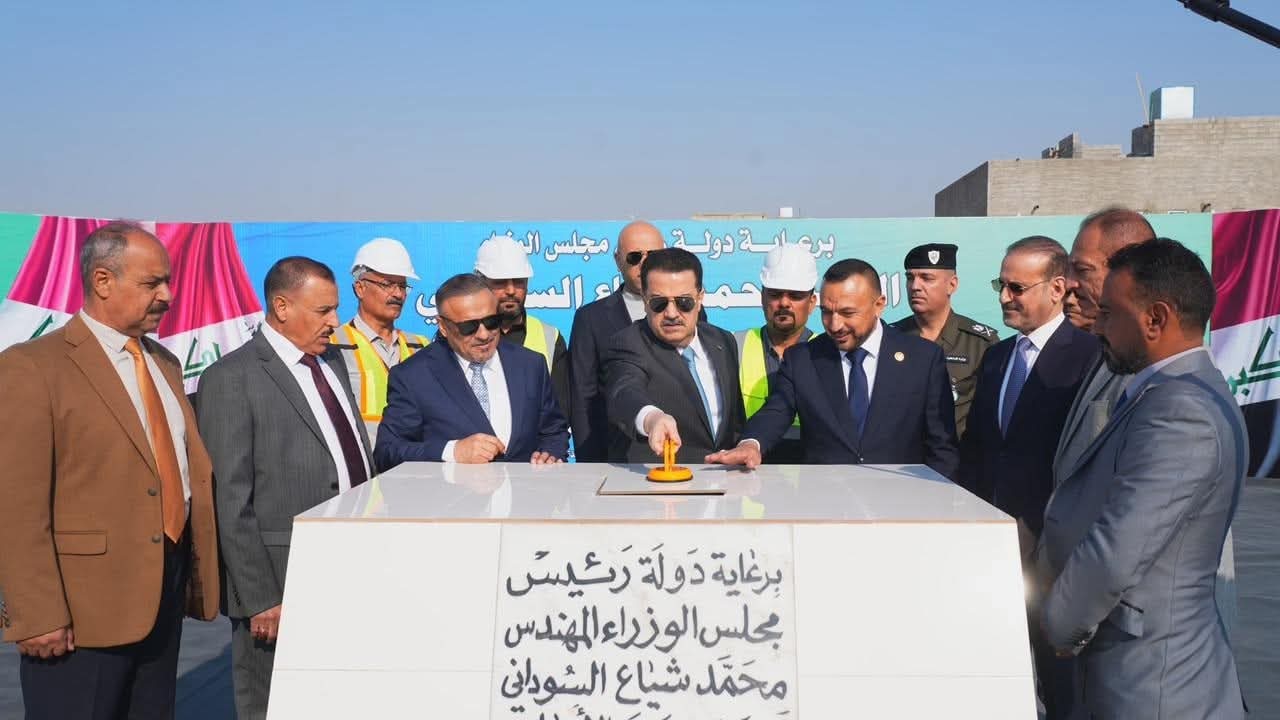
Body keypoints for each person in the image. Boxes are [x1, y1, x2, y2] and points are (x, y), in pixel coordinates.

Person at [0, 222, 220, 719]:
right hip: (80, 618)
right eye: (152, 283)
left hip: (161, 600)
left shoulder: (164, 363)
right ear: (102, 281)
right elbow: (16, 506)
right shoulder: (33, 367)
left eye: (168, 281)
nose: (168, 295)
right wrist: (37, 613)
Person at [1037, 238, 1247, 719]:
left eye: (1110, 314)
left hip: (1154, 684)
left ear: (1155, 318)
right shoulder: (1168, 392)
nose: (1098, 326)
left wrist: (1060, 623)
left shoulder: (1182, 411)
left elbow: (1118, 546)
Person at [198, 256, 374, 720]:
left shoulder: (331, 362)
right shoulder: (232, 378)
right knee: (272, 703)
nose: (335, 322)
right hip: (279, 581)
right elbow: (230, 500)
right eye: (323, 311)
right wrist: (260, 597)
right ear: (281, 307)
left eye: (335, 309)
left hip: (351, 569)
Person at [957, 236, 1098, 719]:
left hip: (1056, 553)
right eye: (1000, 285)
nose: (1004, 297)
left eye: (1017, 288)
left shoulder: (1089, 359)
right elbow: (980, 449)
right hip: (996, 547)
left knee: (1062, 686)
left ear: (1057, 288)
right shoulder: (997, 358)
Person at [706, 259, 959, 479]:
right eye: (827, 312)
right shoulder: (803, 359)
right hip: (825, 503)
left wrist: (938, 500)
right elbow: (776, 411)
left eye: (847, 313)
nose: (835, 325)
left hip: (900, 504)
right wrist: (751, 444)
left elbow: (942, 447)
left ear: (879, 304)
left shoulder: (922, 359)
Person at [374, 273, 569, 468]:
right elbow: (387, 451)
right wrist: (453, 451)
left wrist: (549, 454)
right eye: (469, 327)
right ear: (443, 326)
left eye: (492, 322)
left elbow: (553, 432)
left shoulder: (531, 364)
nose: (484, 335)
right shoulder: (414, 376)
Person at [604, 247, 745, 462]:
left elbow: (734, 422)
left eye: (684, 302)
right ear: (644, 300)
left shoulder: (723, 341)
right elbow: (624, 391)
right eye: (659, 303)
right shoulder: (628, 343)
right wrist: (652, 418)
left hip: (723, 477)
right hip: (661, 478)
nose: (671, 313)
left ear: (700, 298)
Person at [568, 220, 677, 461]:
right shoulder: (591, 318)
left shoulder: (687, 313)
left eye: (653, 256)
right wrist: (590, 464)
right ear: (618, 260)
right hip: (618, 458)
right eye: (635, 257)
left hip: (678, 451)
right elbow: (584, 400)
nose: (645, 264)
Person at [890, 242, 997, 437]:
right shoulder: (890, 338)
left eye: (926, 278)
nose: (915, 287)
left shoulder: (979, 343)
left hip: (959, 452)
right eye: (910, 278)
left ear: (952, 285)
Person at [329, 237, 429, 447]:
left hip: (412, 460)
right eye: (387, 284)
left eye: (402, 286)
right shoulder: (332, 343)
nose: (398, 294)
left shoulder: (421, 346)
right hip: (360, 461)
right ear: (360, 288)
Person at [734, 243, 817, 463]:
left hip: (811, 471)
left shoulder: (827, 353)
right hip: (745, 466)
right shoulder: (733, 346)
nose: (784, 303)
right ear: (762, 297)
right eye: (775, 294)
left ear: (812, 302)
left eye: (795, 295)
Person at [474, 234, 570, 418]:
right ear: (480, 282)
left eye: (518, 281)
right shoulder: (462, 333)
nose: (511, 290)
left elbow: (559, 413)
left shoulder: (550, 337)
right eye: (500, 282)